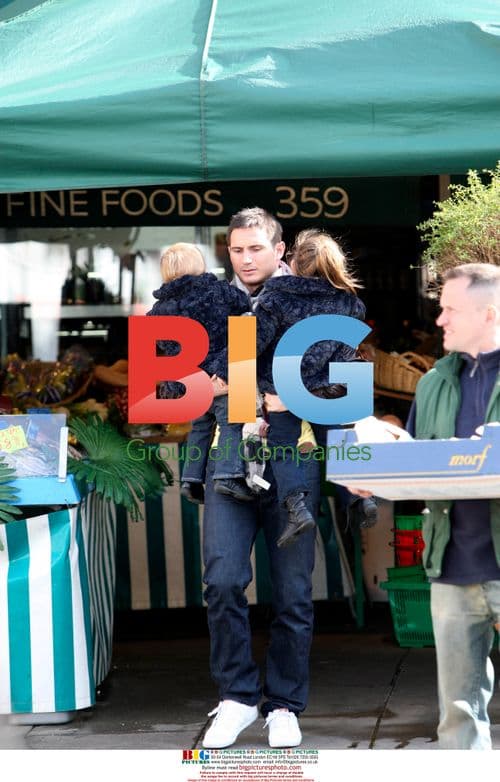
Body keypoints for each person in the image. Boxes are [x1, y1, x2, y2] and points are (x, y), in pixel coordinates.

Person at [201, 208, 319, 750]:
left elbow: (341, 381)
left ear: (280, 248)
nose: (246, 259)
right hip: (228, 459)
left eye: (256, 248)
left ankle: (285, 705)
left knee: (293, 591)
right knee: (223, 580)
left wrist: (287, 395)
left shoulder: (309, 303)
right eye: (237, 250)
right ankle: (237, 698)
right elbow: (196, 396)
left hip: (294, 456)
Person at [406, 263, 500, 750]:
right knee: (458, 719)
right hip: (453, 566)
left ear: (488, 314)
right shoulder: (432, 383)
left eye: (449, 310)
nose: (438, 320)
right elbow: (413, 465)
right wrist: (371, 470)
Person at [255, 228, 366, 547]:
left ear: (293, 262)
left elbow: (254, 344)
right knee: (339, 441)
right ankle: (358, 498)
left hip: (282, 389)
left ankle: (296, 508)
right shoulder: (348, 302)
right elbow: (347, 357)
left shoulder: (275, 297)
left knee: (283, 445)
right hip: (329, 392)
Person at [147, 242, 252, 504]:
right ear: (200, 266)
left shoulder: (159, 310)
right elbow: (243, 304)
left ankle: (191, 478)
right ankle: (228, 475)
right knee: (232, 424)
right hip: (222, 376)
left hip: (191, 385)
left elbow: (162, 345)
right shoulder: (215, 292)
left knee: (200, 428)